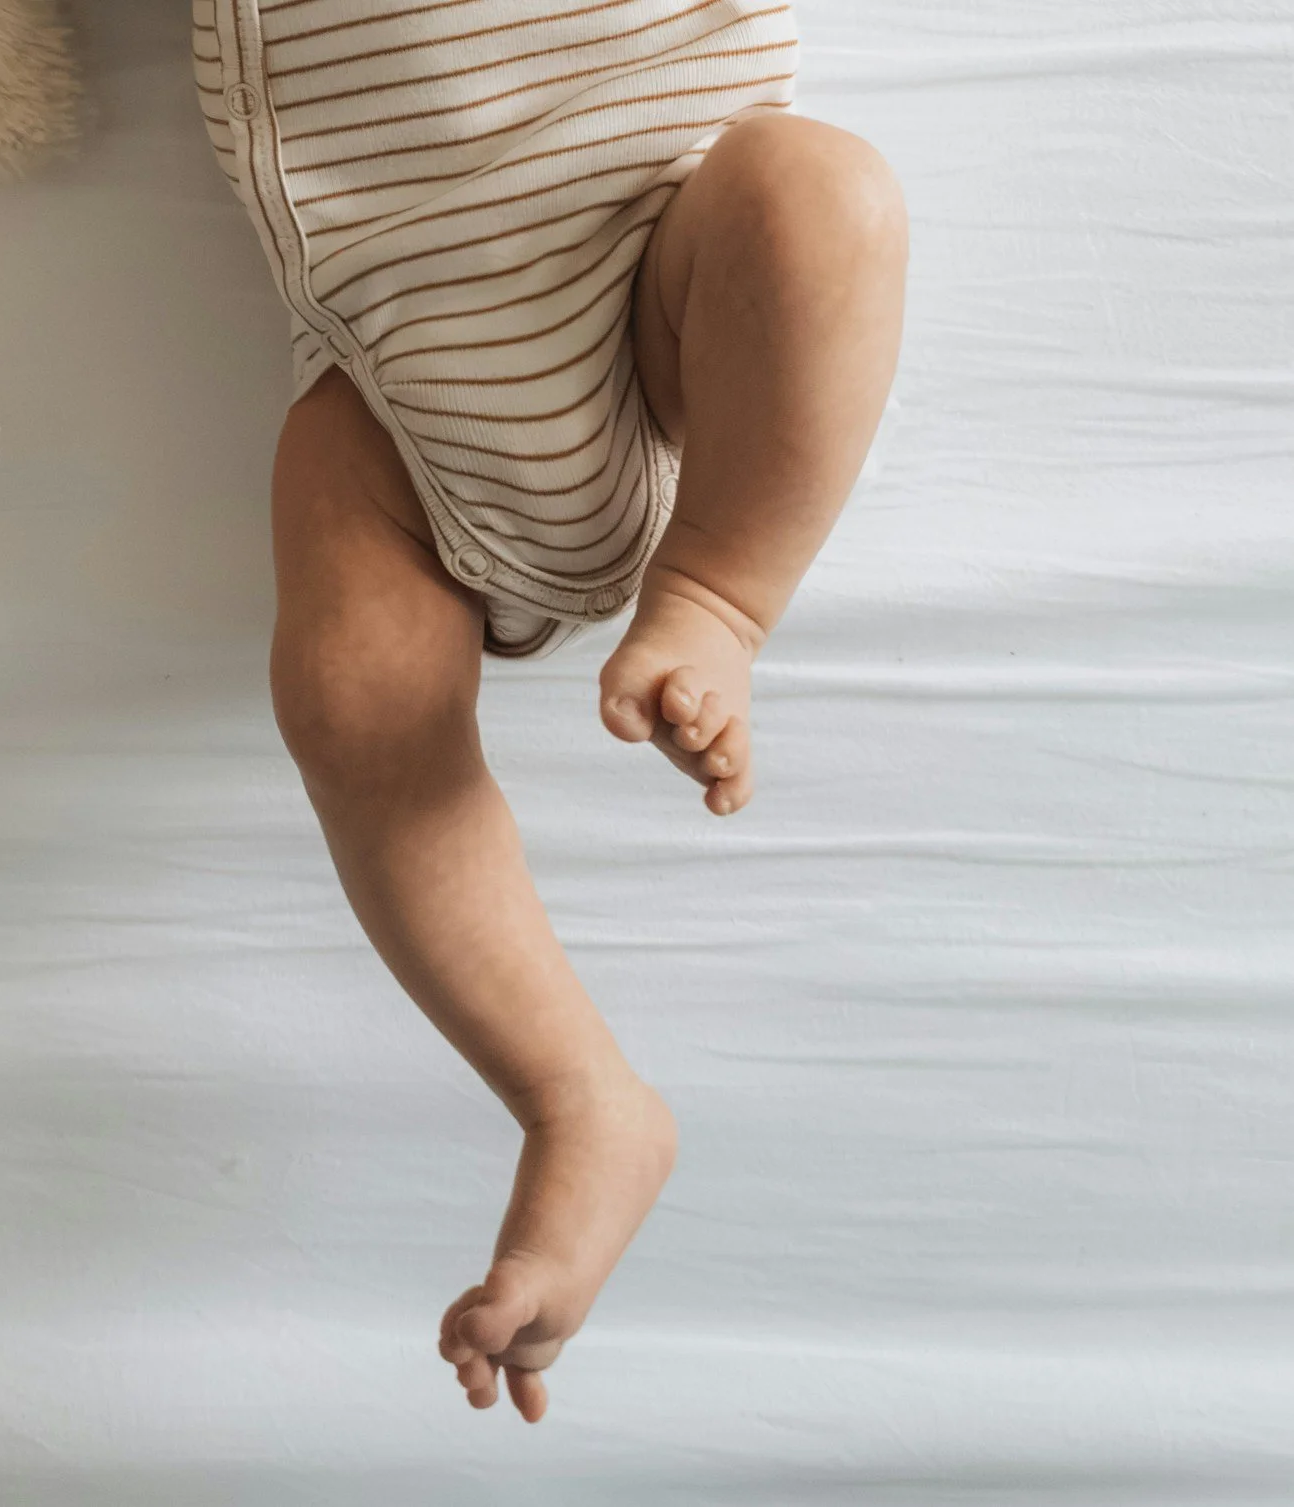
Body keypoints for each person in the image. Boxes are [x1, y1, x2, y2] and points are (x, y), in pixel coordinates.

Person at [192, 0, 908, 1420]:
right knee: (351, 696)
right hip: (392, 358)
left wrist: (707, 597)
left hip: (654, 226)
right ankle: (577, 1093)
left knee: (825, 197)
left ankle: (719, 589)